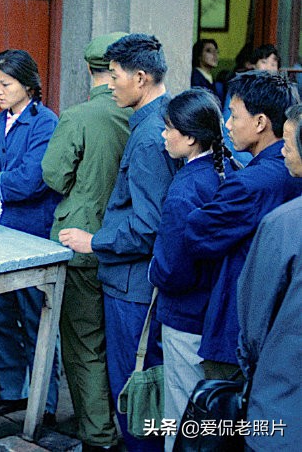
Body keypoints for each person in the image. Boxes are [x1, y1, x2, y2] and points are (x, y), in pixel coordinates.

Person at [61, 33, 180, 452]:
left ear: (141, 78)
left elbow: (148, 225)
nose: (109, 85)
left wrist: (95, 241)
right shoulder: (162, 116)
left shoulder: (150, 137)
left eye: (114, 76)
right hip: (143, 283)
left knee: (135, 395)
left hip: (131, 286)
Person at [42, 32, 131, 452]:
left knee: (83, 344)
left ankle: (97, 436)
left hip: (80, 241)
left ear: (91, 71)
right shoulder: (146, 116)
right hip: (126, 243)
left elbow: (54, 176)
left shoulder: (78, 117)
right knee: (123, 343)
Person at [184, 70, 302, 382]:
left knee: (221, 424)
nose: (227, 124)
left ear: (261, 122)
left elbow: (196, 233)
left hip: (238, 331)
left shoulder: (251, 183)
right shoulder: (287, 171)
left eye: (234, 115)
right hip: (279, 331)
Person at [0, 49, 61, 426]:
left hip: (31, 232)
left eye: (5, 84)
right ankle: (12, 392)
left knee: (35, 317)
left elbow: (33, 180)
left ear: (28, 84)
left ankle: (46, 402)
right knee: (3, 313)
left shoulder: (45, 123)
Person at [148, 89, 236, 451]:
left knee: (181, 415)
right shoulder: (231, 169)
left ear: (191, 137)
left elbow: (173, 270)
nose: (164, 136)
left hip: (186, 317)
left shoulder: (185, 188)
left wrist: (154, 268)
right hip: (219, 313)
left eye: (169, 129)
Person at [238, 103, 302, 451]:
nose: (284, 151)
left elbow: (252, 324)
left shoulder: (283, 224)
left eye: (289, 143)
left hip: (282, 409)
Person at [190, 39, 224, 104]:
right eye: (209, 51)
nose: (215, 55)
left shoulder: (211, 79)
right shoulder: (195, 78)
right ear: (199, 55)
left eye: (217, 51)